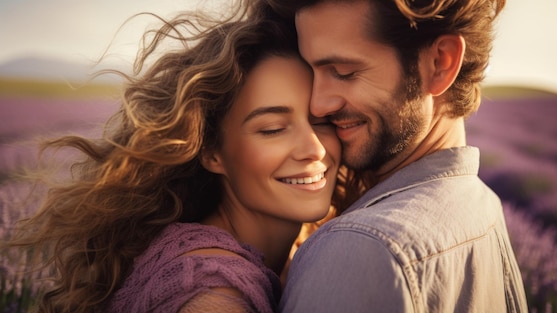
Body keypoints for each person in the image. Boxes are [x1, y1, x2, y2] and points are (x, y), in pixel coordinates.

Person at [7, 3, 344, 312]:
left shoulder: (298, 244)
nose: (314, 148)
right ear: (212, 152)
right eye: (272, 128)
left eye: (322, 121)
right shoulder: (211, 287)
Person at [262, 0, 529, 312]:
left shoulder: (361, 249)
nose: (318, 105)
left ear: (440, 62)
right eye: (312, 72)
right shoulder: (481, 205)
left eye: (344, 72)